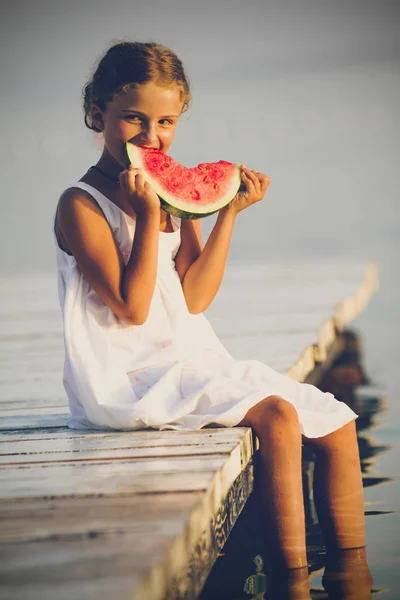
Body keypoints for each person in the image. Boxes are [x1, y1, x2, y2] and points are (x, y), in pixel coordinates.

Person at [54, 41, 372, 598]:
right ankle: (291, 582)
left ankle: (354, 577)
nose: (152, 137)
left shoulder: (165, 191)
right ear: (97, 114)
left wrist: (225, 212)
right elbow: (131, 309)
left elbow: (195, 297)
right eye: (135, 119)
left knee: (338, 421)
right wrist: (151, 215)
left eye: (166, 122)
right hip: (126, 376)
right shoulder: (80, 204)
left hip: (189, 358)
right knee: (277, 417)